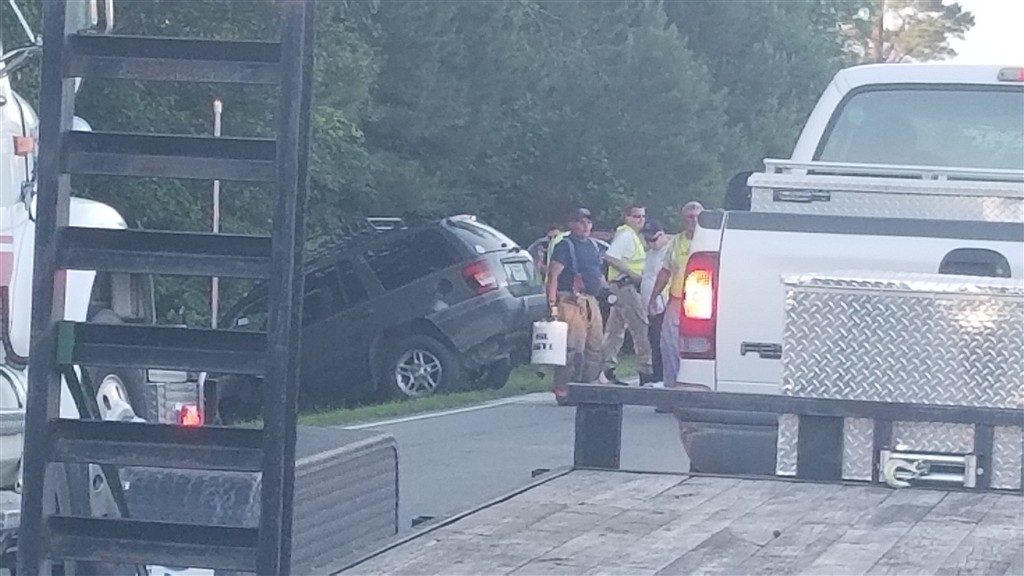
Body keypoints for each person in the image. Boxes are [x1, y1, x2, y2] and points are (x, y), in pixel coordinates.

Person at [546, 208, 606, 403]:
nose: (586, 226)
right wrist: (552, 305)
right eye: (581, 222)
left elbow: (597, 273)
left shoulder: (593, 246)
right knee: (573, 347)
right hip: (570, 301)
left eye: (589, 222)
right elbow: (553, 276)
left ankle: (589, 387)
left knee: (595, 345)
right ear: (571, 224)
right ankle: (564, 390)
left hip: (591, 300)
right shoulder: (565, 246)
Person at [649, 201, 704, 388]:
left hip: (703, 306)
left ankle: (696, 385)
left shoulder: (710, 240)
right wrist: (653, 296)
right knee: (669, 345)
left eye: (697, 217)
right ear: (683, 220)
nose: (694, 221)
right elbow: (665, 272)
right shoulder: (676, 242)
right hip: (677, 301)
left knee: (698, 347)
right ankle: (672, 387)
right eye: (689, 217)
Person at [600, 203, 655, 386]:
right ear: (627, 217)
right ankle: (646, 371)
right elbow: (610, 257)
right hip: (626, 286)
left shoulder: (632, 236)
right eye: (636, 216)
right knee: (640, 327)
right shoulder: (626, 235)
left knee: (615, 330)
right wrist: (632, 274)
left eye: (643, 216)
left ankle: (605, 369)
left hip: (620, 288)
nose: (641, 220)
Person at [640, 219, 671, 385]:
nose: (651, 243)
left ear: (662, 235)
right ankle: (657, 374)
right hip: (651, 306)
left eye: (653, 239)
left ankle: (663, 376)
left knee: (662, 341)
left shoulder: (668, 251)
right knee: (653, 339)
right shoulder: (651, 254)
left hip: (663, 304)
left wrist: (656, 299)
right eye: (647, 240)